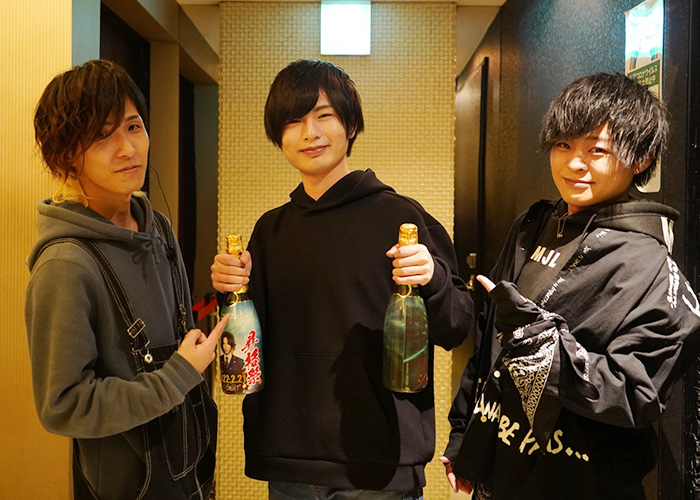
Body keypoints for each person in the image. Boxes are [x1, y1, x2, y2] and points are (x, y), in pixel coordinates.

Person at [210, 59, 473, 499]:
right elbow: (247, 346)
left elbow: (457, 327)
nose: (309, 133)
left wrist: (432, 278)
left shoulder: (400, 217)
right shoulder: (270, 231)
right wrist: (230, 289)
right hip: (289, 463)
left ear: (350, 125)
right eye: (294, 121)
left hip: (379, 468)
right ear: (278, 136)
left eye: (324, 116)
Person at [442, 72, 700, 499]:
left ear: (642, 158)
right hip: (501, 471)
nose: (574, 164)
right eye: (563, 145)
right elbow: (489, 342)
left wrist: (546, 350)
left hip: (582, 483)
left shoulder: (649, 264)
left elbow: (638, 393)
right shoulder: (532, 225)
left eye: (597, 150)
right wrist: (465, 438)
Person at [25, 59, 228, 500]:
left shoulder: (157, 228)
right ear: (66, 156)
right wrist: (177, 377)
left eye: (133, 127)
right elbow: (63, 406)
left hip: (192, 471)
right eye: (102, 136)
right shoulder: (66, 264)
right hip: (129, 486)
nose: (128, 149)